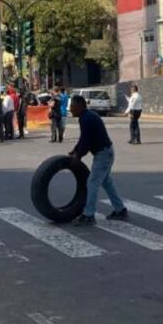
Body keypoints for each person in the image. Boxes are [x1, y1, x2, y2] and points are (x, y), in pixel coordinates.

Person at [68, 95, 128, 226]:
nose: (70, 109)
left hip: (103, 154)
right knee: (107, 182)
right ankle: (120, 210)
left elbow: (86, 141)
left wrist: (78, 156)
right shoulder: (86, 116)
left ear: (80, 106)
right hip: (105, 152)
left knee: (92, 183)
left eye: (72, 106)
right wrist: (75, 150)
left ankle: (88, 215)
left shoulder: (87, 119)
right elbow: (83, 139)